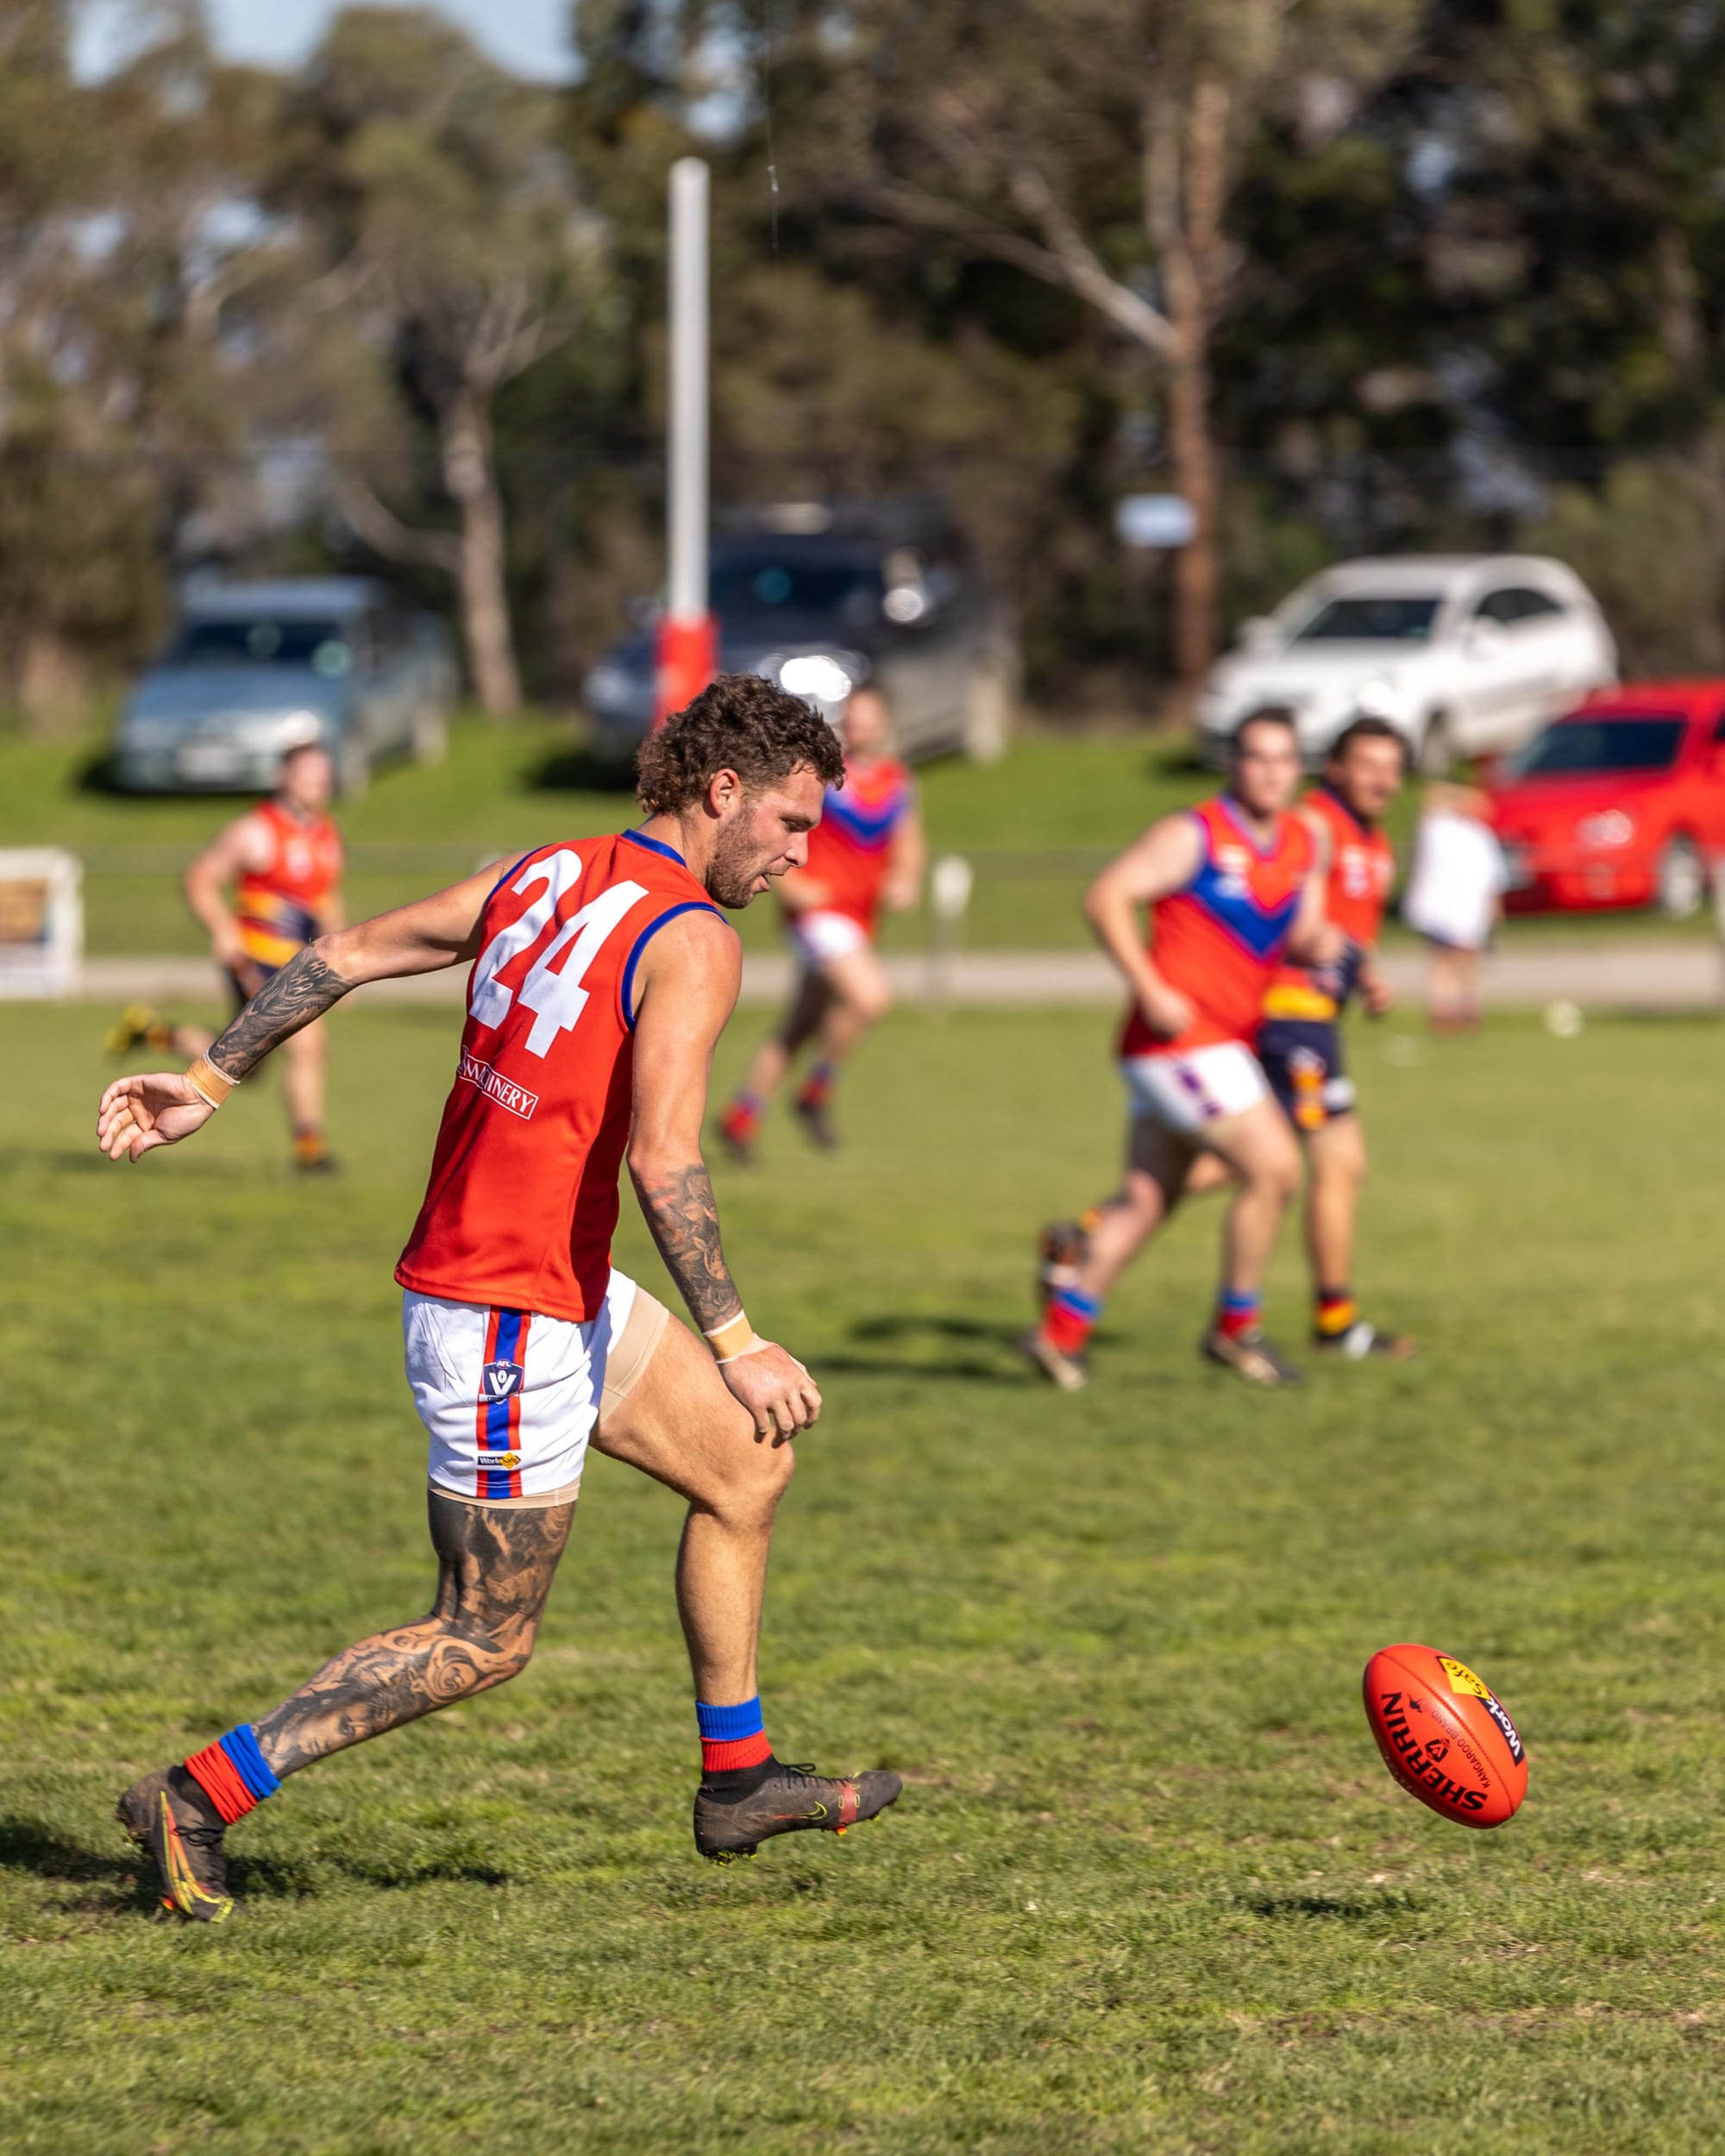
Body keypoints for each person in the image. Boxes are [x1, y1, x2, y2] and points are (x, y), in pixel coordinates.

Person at [96, 674, 902, 1924]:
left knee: (747, 1472)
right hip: (504, 1311)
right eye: (792, 824)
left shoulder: (545, 868)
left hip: (548, 1284)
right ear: (722, 791)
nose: (804, 854)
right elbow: (666, 1158)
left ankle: (737, 1779)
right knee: (481, 1636)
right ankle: (195, 1794)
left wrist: (211, 1077)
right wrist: (738, 1337)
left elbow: (343, 952)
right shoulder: (694, 940)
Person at [1025, 707, 1336, 1393]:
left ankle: (1060, 1333)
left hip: (1220, 1043)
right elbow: (1107, 897)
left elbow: (1306, 931)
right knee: (1276, 1169)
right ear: (1234, 763)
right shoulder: (1192, 833)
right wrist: (1151, 987)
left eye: (1285, 758)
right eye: (1258, 756)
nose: (1271, 770)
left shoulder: (1303, 844)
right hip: (1180, 1043)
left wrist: (1338, 956)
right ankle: (1235, 1329)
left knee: (1146, 1198)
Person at [1186, 714, 1414, 1359]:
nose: (1382, 781)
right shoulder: (1314, 825)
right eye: (1368, 765)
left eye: (1392, 769)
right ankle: (1335, 1323)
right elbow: (1277, 893)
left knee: (1251, 1157)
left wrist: (1365, 976)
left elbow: (1343, 929)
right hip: (1292, 1018)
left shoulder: (1375, 843)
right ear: (1335, 768)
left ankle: (1096, 1232)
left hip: (1314, 1020)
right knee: (1337, 1161)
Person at [105, 737, 345, 1173]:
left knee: (246, 1067)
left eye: (324, 774)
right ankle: (311, 1151)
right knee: (308, 1045)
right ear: (282, 777)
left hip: (300, 962)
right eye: (308, 772)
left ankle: (153, 1034)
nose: (318, 782)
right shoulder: (256, 831)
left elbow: (325, 899)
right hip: (256, 961)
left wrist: (345, 952)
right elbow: (199, 878)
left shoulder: (326, 834)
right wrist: (223, 930)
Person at [718, 684, 924, 1157]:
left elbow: (910, 844)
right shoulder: (823, 775)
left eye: (870, 716)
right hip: (819, 914)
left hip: (859, 916)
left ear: (885, 723)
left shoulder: (897, 781)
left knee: (802, 1023)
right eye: (853, 715)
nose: (860, 724)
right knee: (870, 997)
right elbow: (781, 829)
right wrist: (792, 888)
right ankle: (816, 1092)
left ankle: (743, 1114)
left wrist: (907, 878)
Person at [1402, 782, 1507, 1031]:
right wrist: (1462, 797)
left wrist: (1494, 908)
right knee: (1444, 961)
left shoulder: (1478, 834)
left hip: (1468, 907)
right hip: (1443, 907)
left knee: (1465, 961)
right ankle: (1444, 1010)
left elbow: (1491, 877)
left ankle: (1466, 1009)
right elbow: (1431, 799)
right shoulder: (1438, 827)